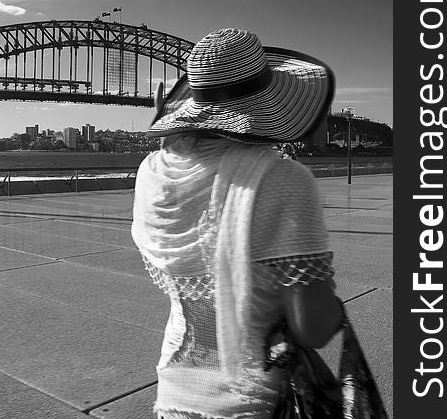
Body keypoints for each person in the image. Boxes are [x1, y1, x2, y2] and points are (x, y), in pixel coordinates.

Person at [132, 28, 343, 419]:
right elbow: (314, 327)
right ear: (270, 100)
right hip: (256, 398)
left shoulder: (153, 173)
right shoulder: (281, 179)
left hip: (175, 390)